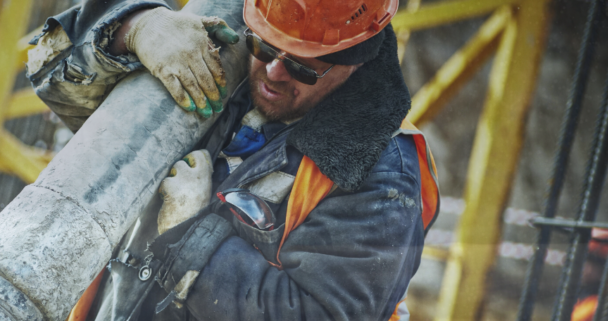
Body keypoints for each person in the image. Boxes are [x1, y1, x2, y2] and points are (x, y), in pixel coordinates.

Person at [27, 0, 439, 319]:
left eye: (303, 68)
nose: (275, 73)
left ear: (356, 63)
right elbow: (51, 72)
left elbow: (321, 314)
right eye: (265, 47)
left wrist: (189, 232)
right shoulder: (225, 55)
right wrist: (134, 30)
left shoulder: (382, 175)